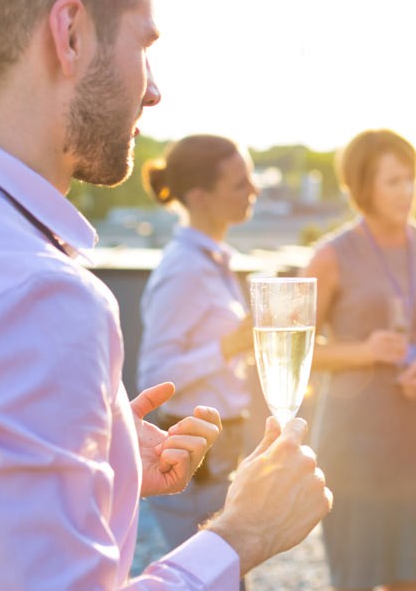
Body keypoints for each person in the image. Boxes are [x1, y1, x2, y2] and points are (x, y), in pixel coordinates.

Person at [0, 0, 330, 589]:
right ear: (69, 35)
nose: (154, 89)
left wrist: (101, 466)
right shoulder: (41, 296)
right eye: (144, 45)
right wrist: (240, 535)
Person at [303, 128, 416, 591]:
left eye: (411, 178)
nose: (407, 190)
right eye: (393, 181)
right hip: (357, 442)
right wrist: (364, 352)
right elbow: (294, 355)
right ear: (361, 185)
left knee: (411, 575)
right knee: (355, 572)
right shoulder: (331, 256)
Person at [138, 135, 260, 563]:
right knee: (215, 577)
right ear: (199, 196)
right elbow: (153, 376)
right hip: (197, 459)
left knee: (227, 576)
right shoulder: (184, 270)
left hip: (221, 449)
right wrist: (231, 344)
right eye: (240, 183)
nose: (254, 191)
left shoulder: (211, 260)